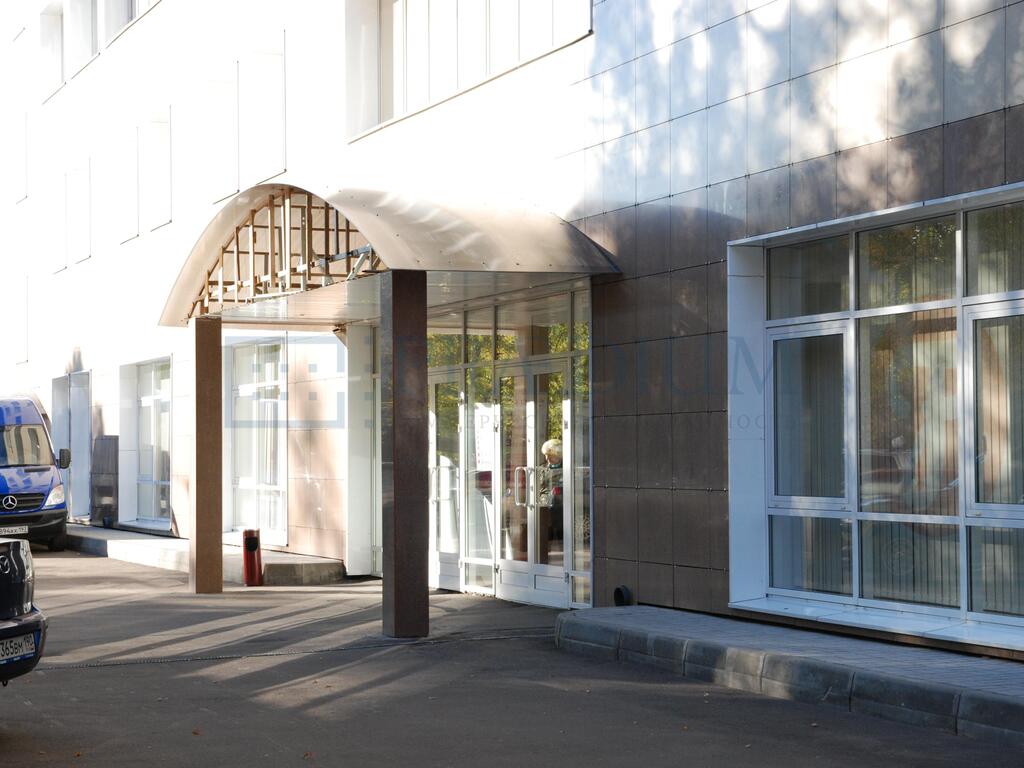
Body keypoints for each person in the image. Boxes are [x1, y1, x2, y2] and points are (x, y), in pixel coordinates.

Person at [537, 438, 564, 563]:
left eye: (550, 455)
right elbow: (539, 488)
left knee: (561, 534)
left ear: (558, 455)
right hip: (546, 506)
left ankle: (564, 558)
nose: (547, 458)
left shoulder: (567, 467)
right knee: (546, 535)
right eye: (546, 455)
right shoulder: (542, 469)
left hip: (562, 507)